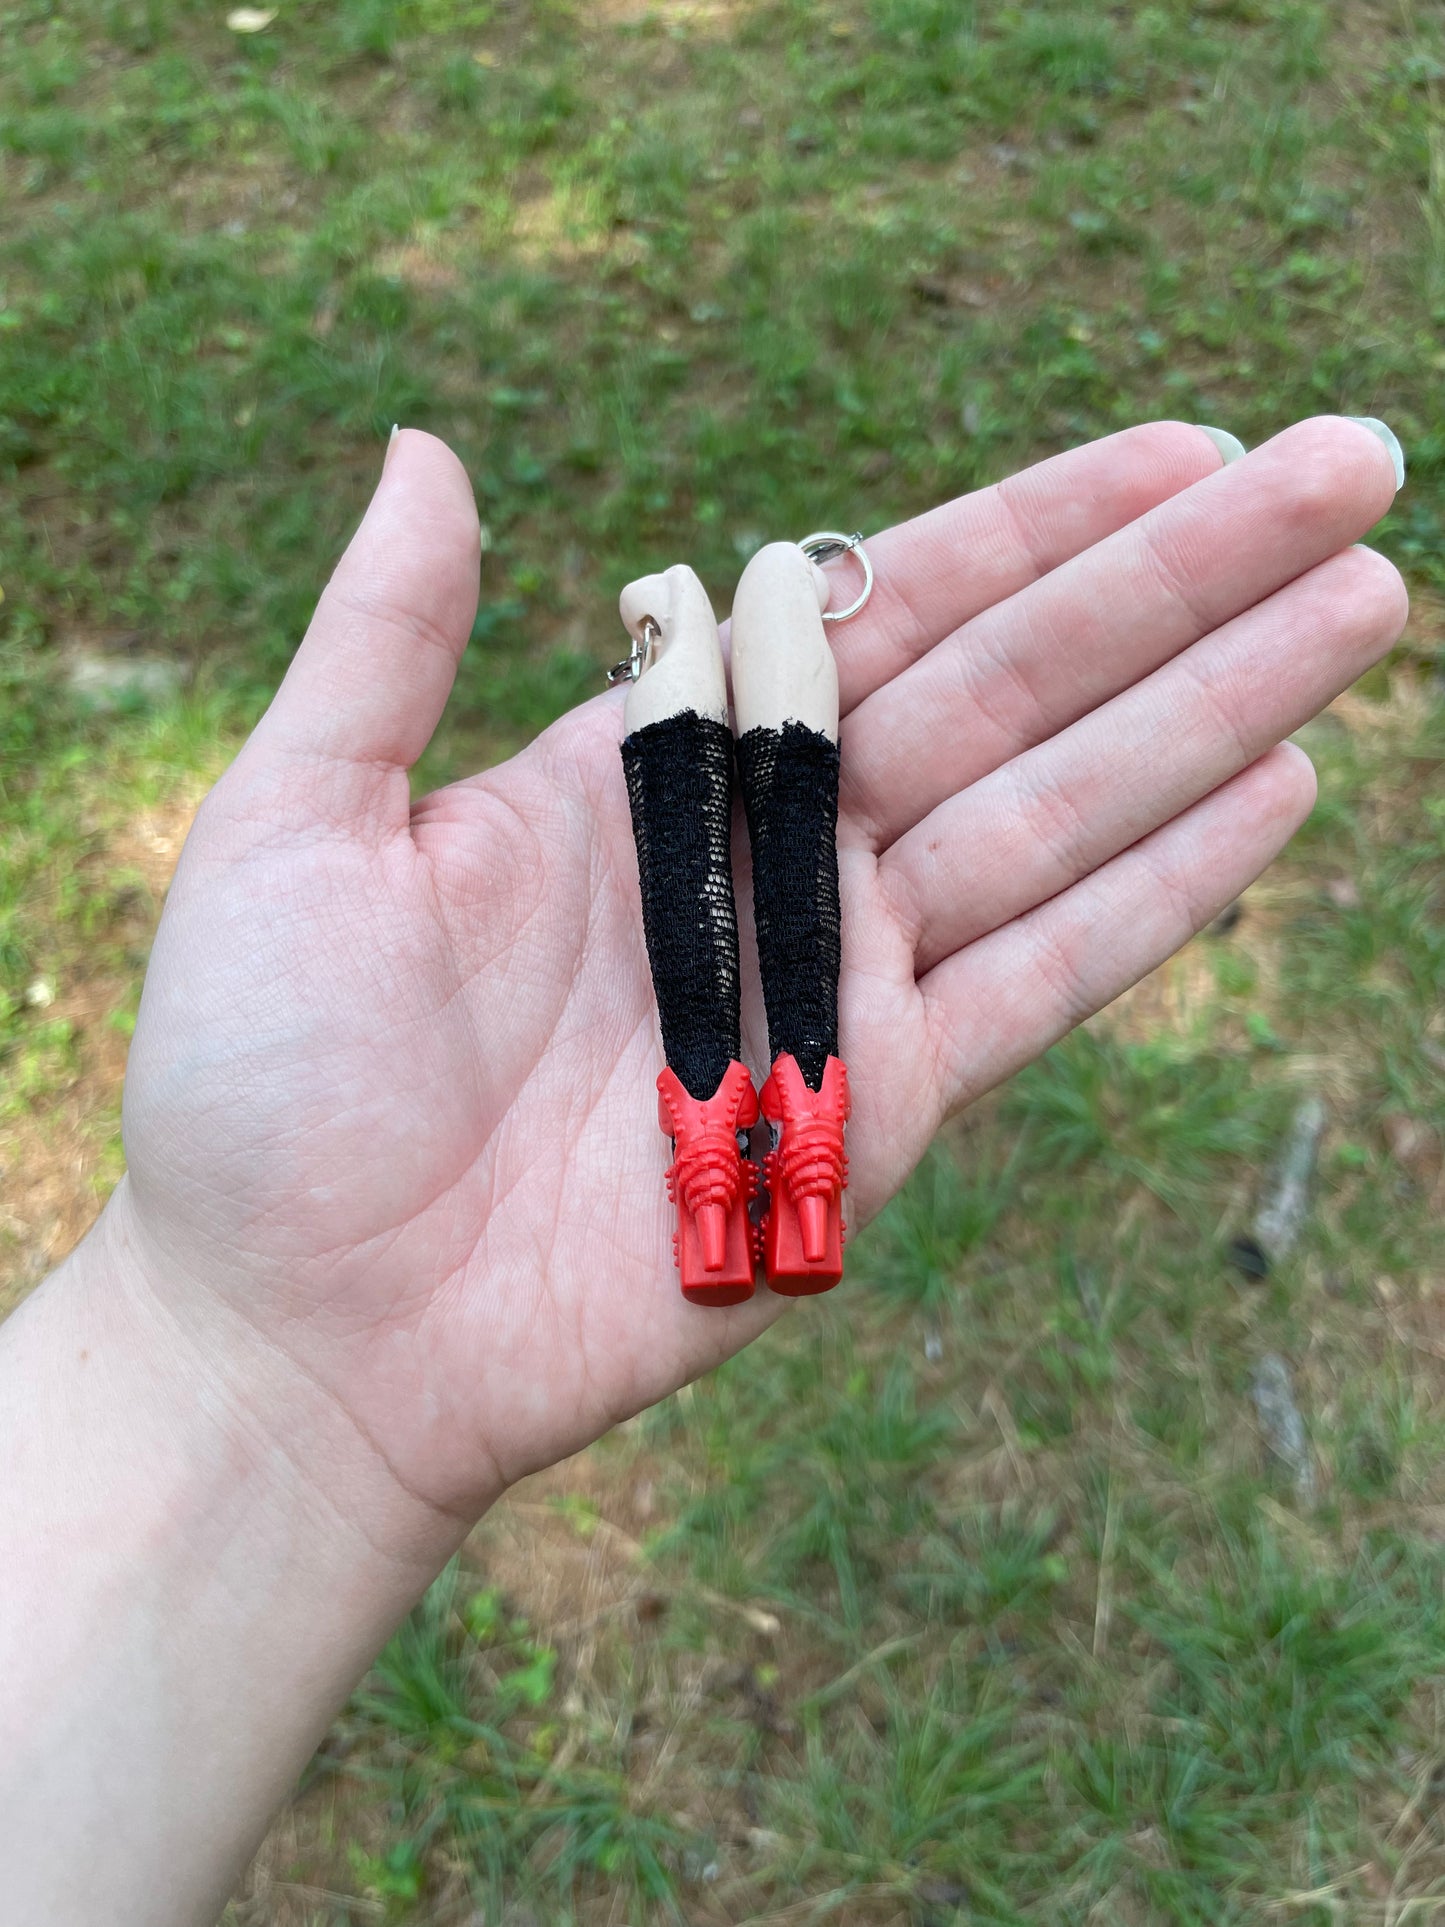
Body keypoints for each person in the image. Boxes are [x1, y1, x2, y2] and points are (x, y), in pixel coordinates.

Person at [0, 417, 1407, 1924]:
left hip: (735, 786)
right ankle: (762, 1191)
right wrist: (216, 1333)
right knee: (757, 958)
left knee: (740, 962)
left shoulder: (714, 640)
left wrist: (207, 1353)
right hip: (740, 776)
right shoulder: (732, 641)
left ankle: (755, 1193)